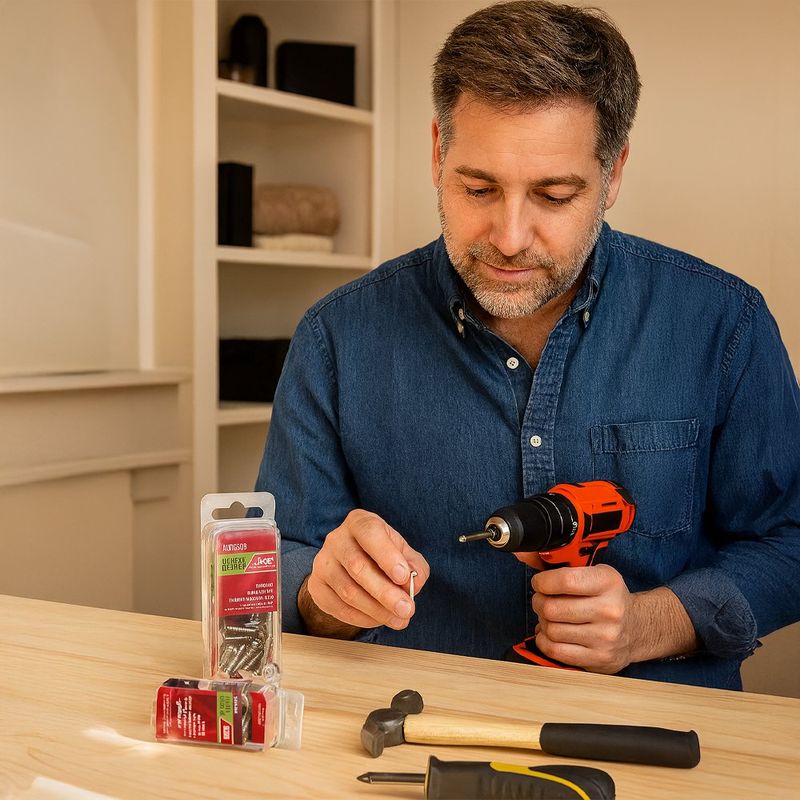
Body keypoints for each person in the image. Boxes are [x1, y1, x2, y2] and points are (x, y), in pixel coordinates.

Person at [256, 0, 800, 690]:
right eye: (478, 188)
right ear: (437, 152)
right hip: (417, 730)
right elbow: (277, 563)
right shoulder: (337, 336)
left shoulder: (724, 323)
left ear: (613, 173)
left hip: (658, 735)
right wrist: (322, 595)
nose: (509, 238)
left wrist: (651, 623)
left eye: (554, 195)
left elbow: (790, 541)